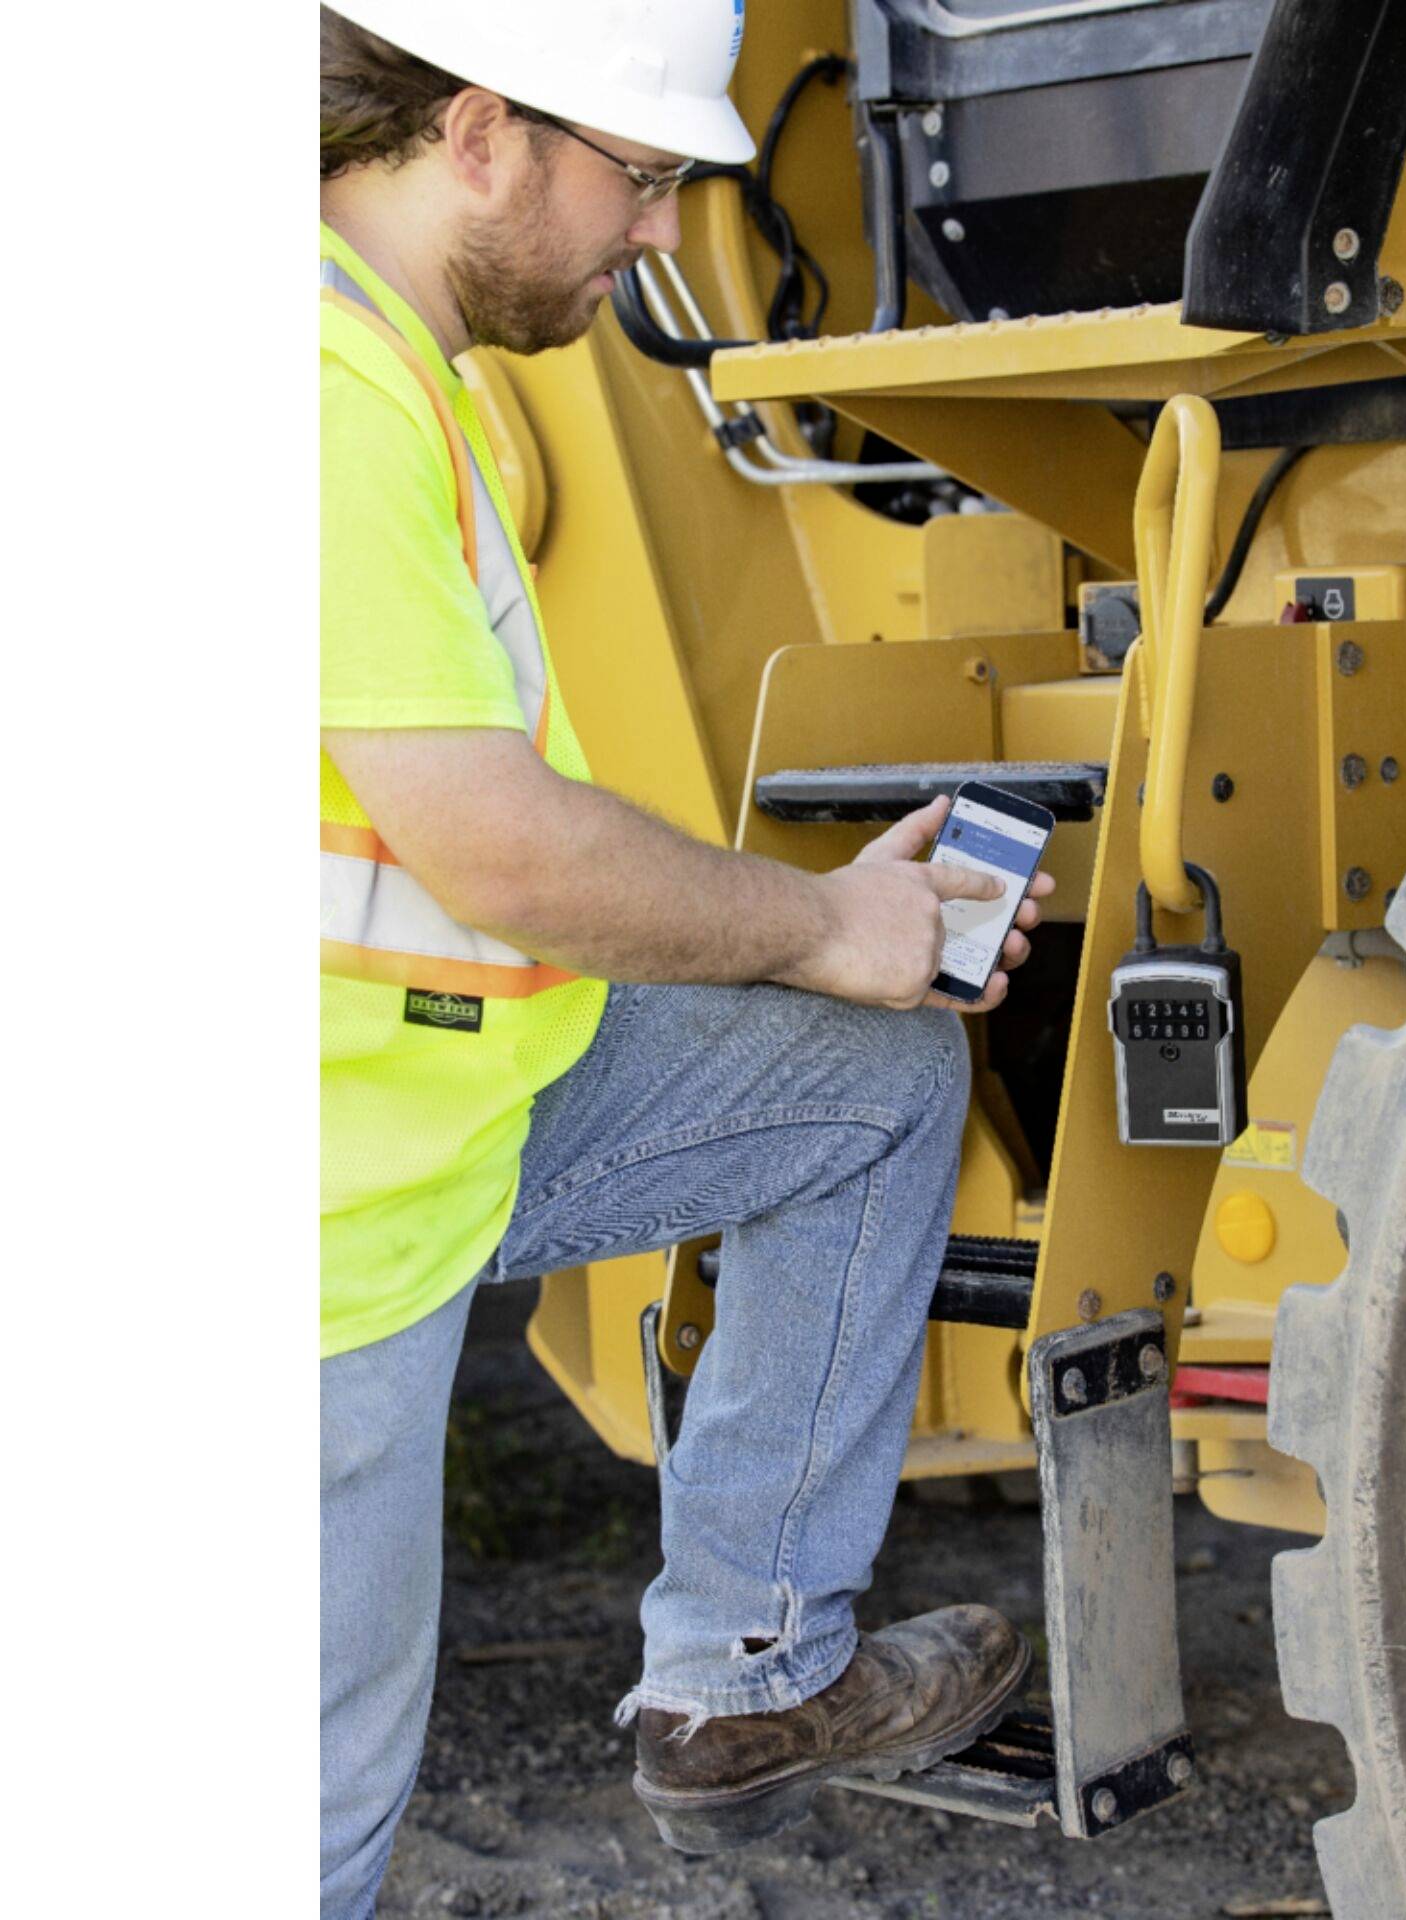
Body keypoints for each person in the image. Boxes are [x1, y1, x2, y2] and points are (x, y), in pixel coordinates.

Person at [318, 3, 1052, 1910]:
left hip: (431, 1111)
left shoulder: (392, 363)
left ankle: (745, 1682)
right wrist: (818, 922)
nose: (659, 235)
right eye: (639, 179)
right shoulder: (313, 384)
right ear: (478, 131)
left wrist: (834, 947)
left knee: (868, 1079)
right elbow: (488, 841)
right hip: (317, 1228)